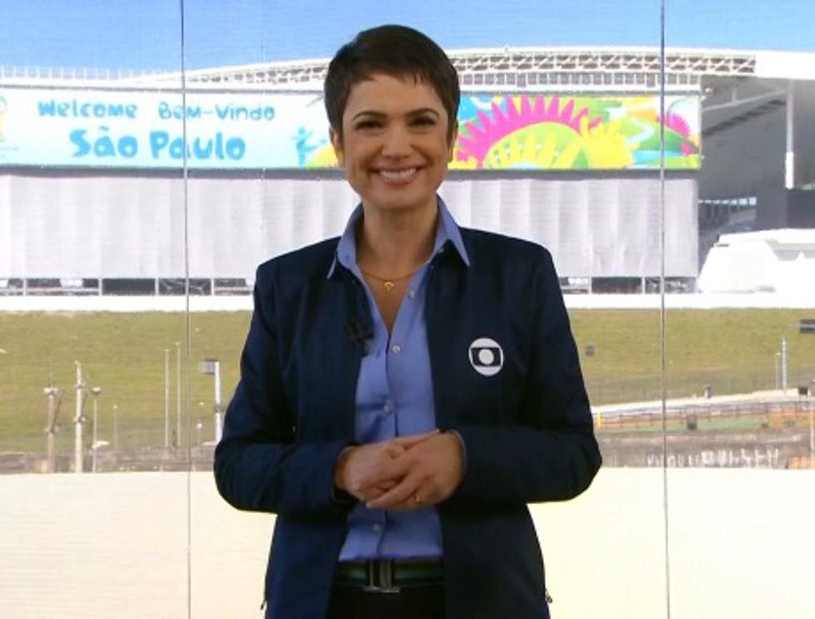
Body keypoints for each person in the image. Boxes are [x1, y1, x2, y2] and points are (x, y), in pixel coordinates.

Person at [214, 24, 601, 619]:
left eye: (420, 121)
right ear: (339, 143)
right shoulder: (287, 286)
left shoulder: (518, 274)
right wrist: (340, 470)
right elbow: (239, 464)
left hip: (483, 601)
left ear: (450, 139)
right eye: (371, 124)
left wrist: (465, 458)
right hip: (321, 601)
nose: (397, 146)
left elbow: (573, 452)